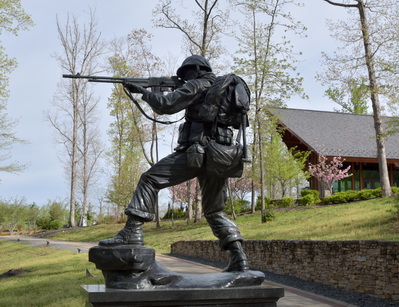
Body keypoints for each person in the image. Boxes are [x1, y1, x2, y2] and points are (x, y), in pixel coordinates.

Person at [99, 55, 249, 272]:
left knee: (150, 179)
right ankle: (239, 257)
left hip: (198, 152)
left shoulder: (198, 84)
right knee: (215, 211)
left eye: (187, 72)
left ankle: (132, 231)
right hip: (223, 156)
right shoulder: (224, 88)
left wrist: (144, 92)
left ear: (197, 70)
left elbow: (166, 105)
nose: (184, 77)